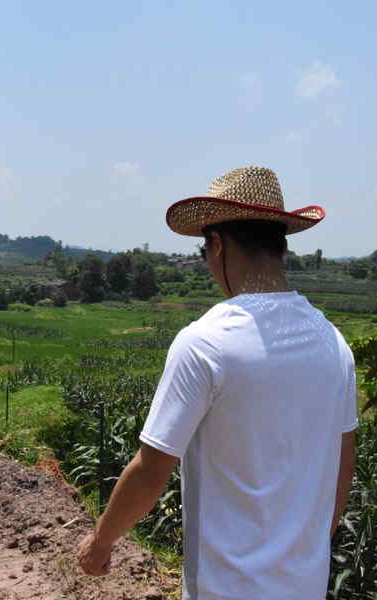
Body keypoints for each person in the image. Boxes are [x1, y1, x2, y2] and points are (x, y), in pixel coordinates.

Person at [77, 166, 358, 599]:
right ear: (281, 247)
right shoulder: (333, 343)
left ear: (220, 245)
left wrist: (100, 543)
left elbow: (152, 470)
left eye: (206, 249)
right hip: (305, 586)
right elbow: (343, 458)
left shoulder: (205, 343)